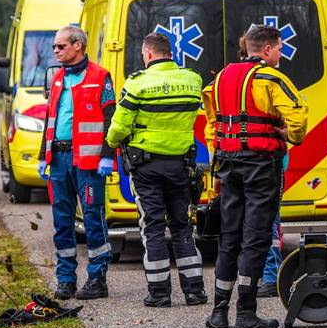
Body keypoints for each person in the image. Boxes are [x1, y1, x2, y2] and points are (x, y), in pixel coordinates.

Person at [203, 24, 307, 328]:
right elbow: (299, 115)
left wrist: (217, 164)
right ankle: (246, 312)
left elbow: (214, 125)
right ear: (266, 50)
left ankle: (219, 311)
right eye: (278, 49)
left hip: (228, 163)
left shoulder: (220, 78)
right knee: (256, 237)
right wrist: (291, 135)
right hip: (261, 165)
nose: (280, 54)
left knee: (229, 236)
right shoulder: (271, 78)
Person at [106, 32, 207, 307]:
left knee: (152, 227)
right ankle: (195, 291)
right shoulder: (192, 80)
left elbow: (120, 124)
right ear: (170, 52)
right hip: (181, 166)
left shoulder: (137, 83)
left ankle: (160, 293)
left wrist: (112, 142)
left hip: (147, 167)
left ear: (148, 54)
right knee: (182, 226)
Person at [38, 25, 117, 301]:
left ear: (77, 46)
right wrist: (42, 156)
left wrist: (108, 154)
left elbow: (112, 120)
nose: (56, 51)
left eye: (60, 46)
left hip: (89, 162)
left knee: (94, 219)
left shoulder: (100, 77)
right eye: (55, 47)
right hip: (59, 159)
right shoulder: (58, 78)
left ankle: (97, 279)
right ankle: (66, 280)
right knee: (62, 222)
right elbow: (51, 119)